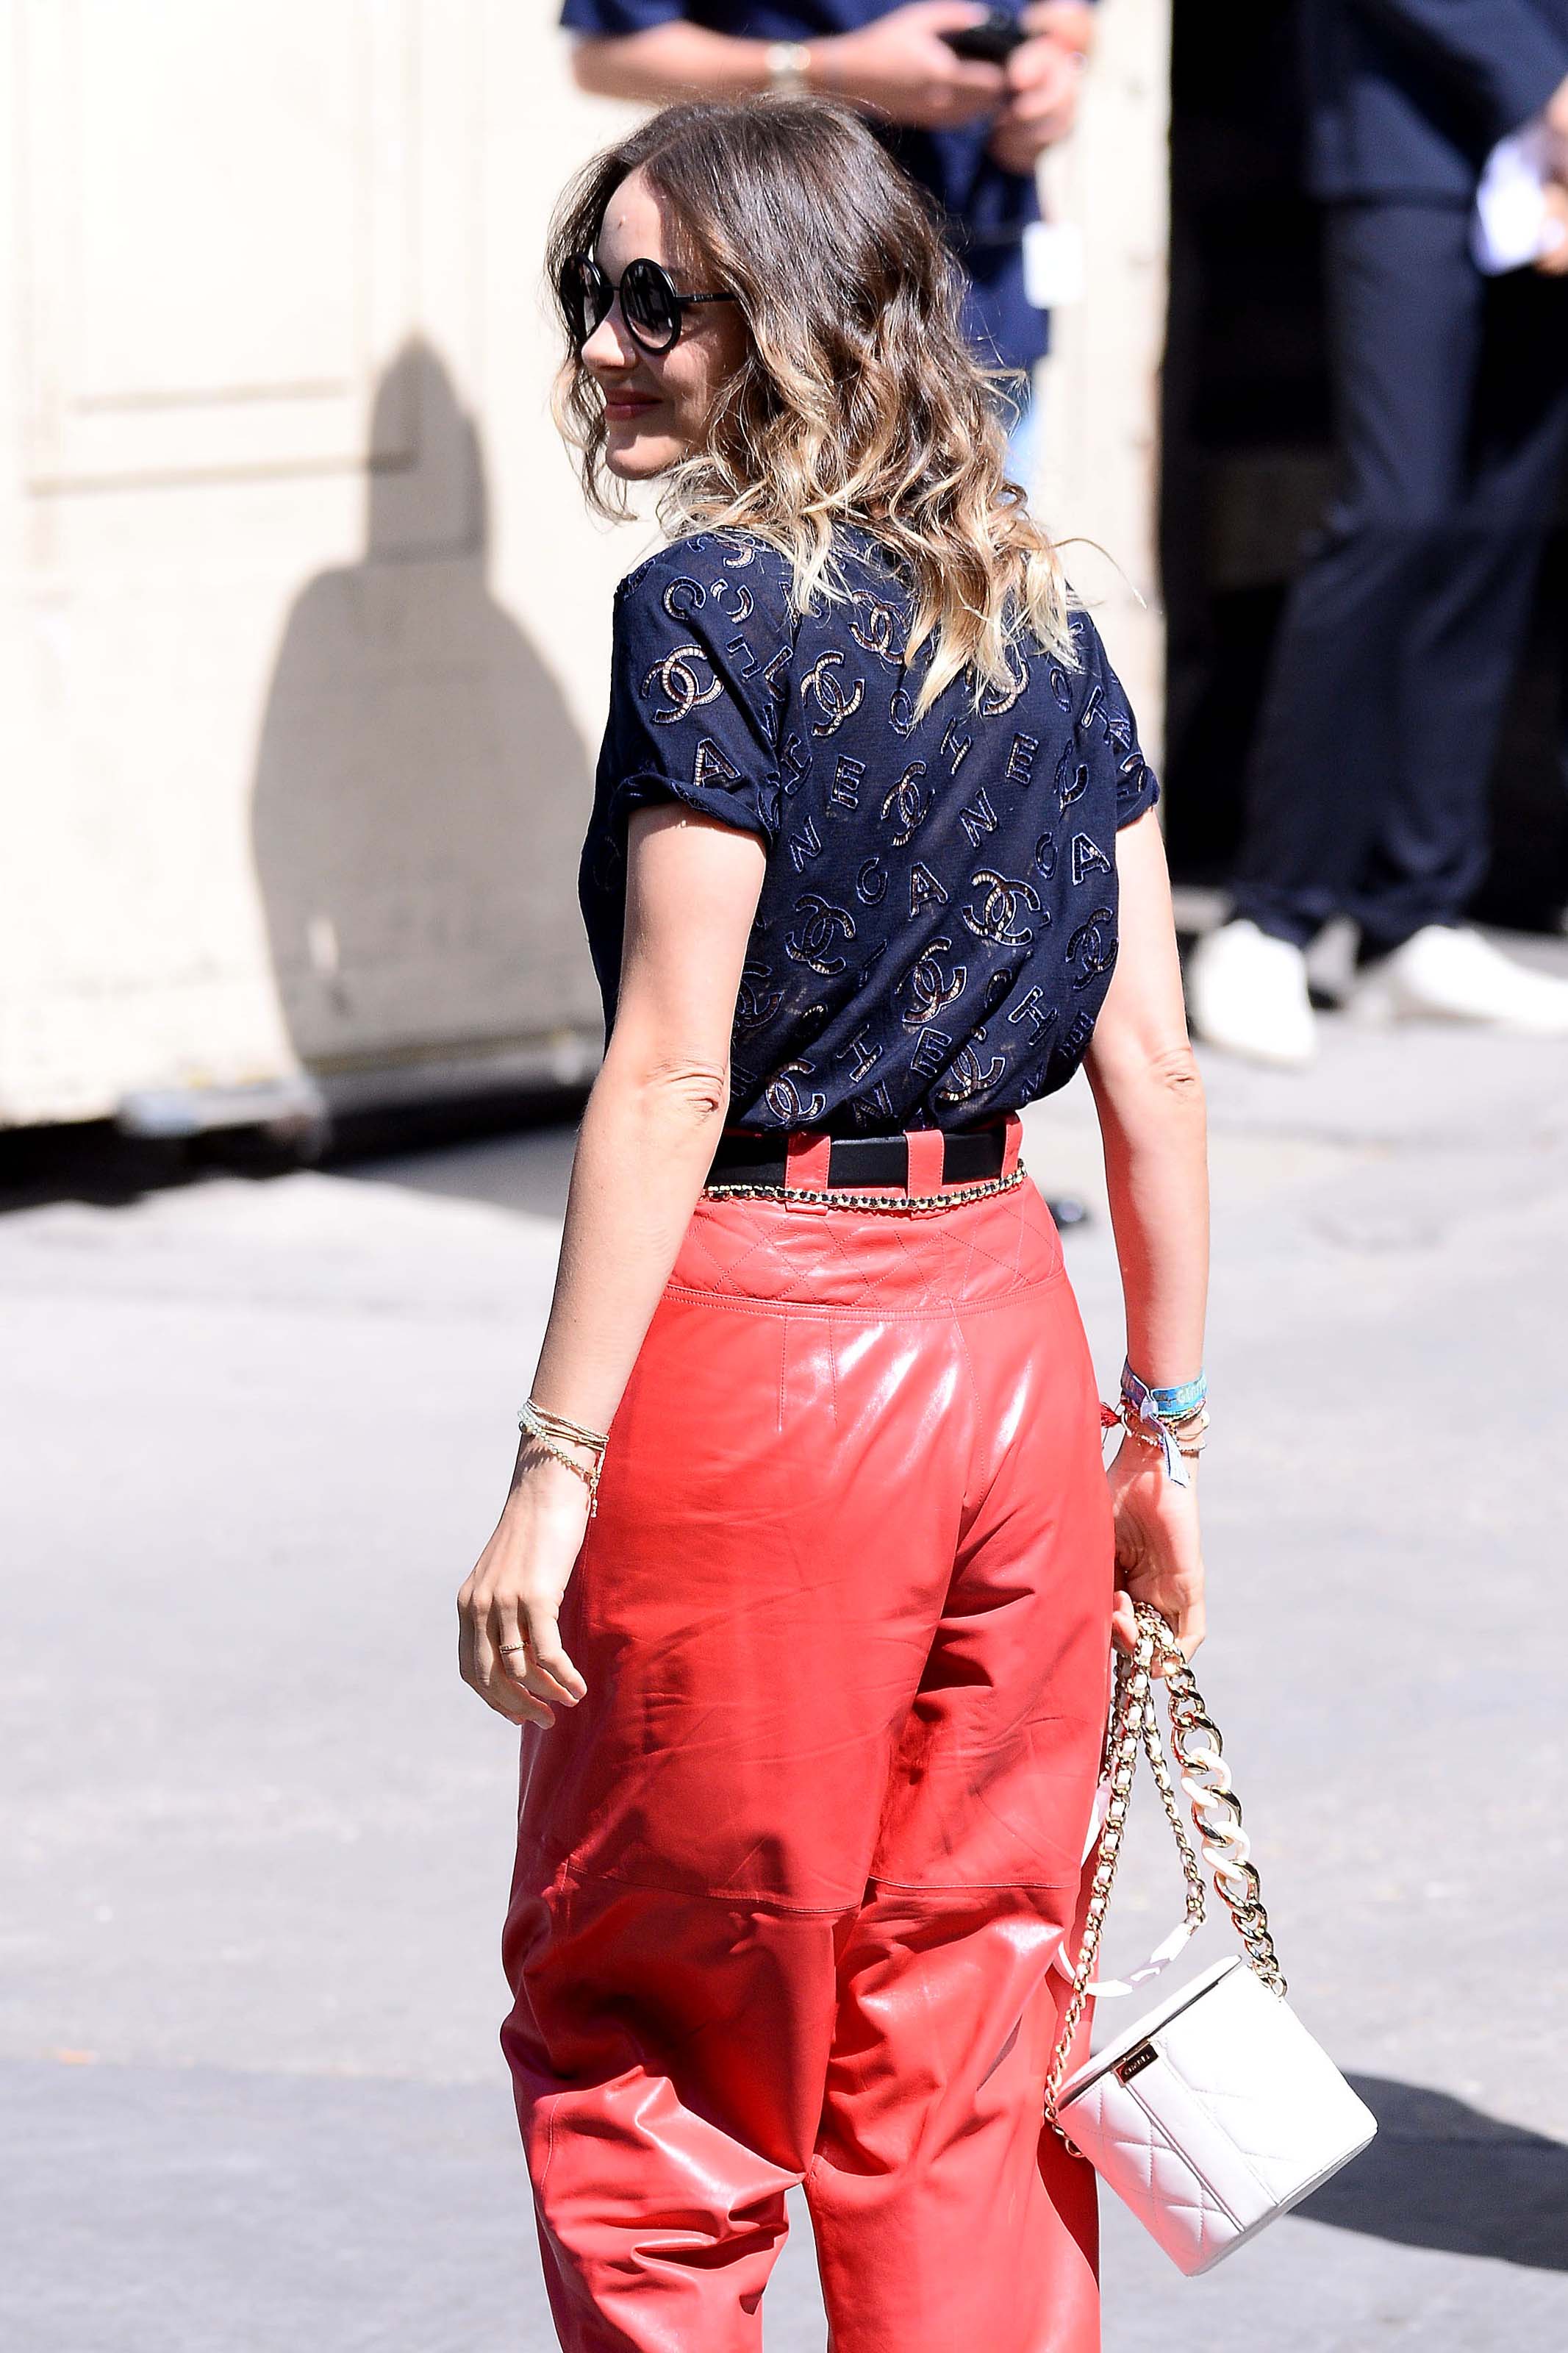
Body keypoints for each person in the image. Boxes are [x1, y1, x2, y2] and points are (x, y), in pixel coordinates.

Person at [457, 96, 1208, 2352]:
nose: (605, 342)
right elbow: (1153, 1076)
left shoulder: (709, 610)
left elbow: (674, 1065)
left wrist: (553, 1463)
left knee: (661, 2011)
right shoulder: (1054, 616)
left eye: (656, 298)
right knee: (967, 2016)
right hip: (1009, 1330)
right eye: (594, 288)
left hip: (771, 1356)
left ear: (793, 313)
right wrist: (1155, 1428)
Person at [1189, 0, 1568, 1065]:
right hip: (1411, 126)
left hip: (1549, 142)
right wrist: (1544, 84)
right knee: (1393, 514)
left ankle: (1416, 910)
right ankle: (1272, 913)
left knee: (1499, 526)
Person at [558, 0, 1096, 483]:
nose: (594, 351)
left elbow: (1067, 19)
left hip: (984, 307)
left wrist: (1052, 69)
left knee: (978, 571)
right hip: (790, 342)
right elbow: (604, 53)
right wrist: (830, 68)